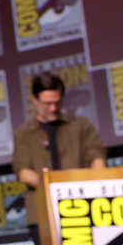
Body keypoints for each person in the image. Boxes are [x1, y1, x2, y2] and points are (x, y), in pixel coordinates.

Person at [12, 72, 107, 230]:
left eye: (57, 102)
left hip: (83, 207)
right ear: (35, 100)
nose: (53, 108)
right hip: (43, 213)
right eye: (47, 103)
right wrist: (57, 189)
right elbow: (23, 172)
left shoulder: (80, 125)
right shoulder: (24, 133)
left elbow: (97, 157)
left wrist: (95, 181)